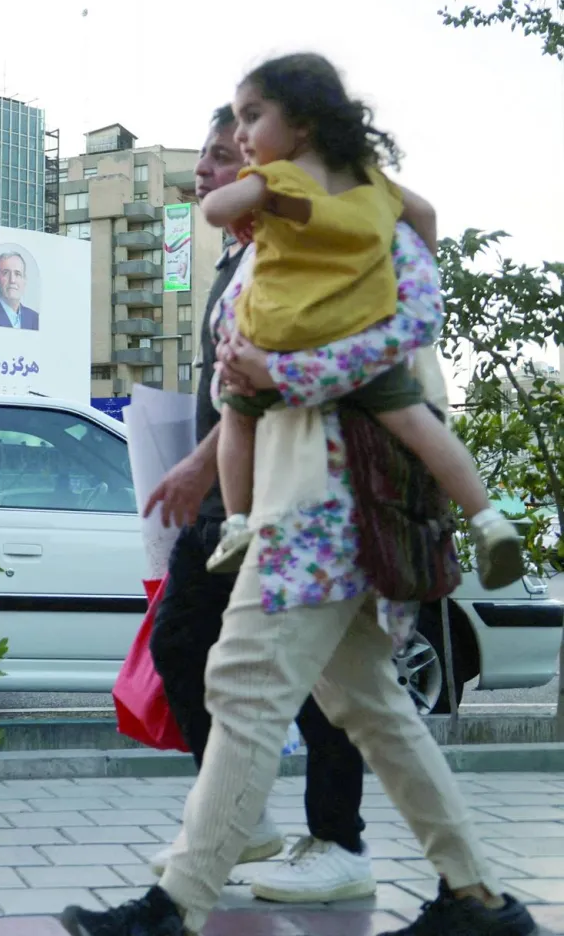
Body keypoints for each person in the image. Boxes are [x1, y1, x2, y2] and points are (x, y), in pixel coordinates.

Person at [61, 96, 537, 936]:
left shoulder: (352, 229)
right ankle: (478, 897)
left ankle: (175, 905)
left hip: (324, 506)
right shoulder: (277, 243)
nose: (234, 152)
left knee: (241, 685)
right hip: (303, 500)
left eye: (250, 130)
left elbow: (391, 353)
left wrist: (277, 376)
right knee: (375, 708)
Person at [141, 105, 373, 907]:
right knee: (187, 647)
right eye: (201, 159)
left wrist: (196, 469)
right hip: (232, 496)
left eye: (217, 157)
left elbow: (271, 383)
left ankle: (338, 841)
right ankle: (247, 823)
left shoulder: (294, 249)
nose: (201, 174)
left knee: (323, 676)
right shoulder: (228, 264)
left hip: (288, 491)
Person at [199, 54, 520, 588]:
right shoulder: (373, 186)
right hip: (362, 341)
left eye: (252, 116)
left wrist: (254, 190)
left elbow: (214, 210)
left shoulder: (278, 179)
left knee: (236, 413)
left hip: (282, 342)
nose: (241, 132)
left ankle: (237, 522)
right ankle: (487, 517)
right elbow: (425, 216)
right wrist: (408, 267)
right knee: (419, 425)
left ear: (302, 124)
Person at [0, 251, 39, 329]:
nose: (12, 280)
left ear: (24, 280)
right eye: (6, 273)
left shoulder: (35, 318)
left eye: (17, 274)